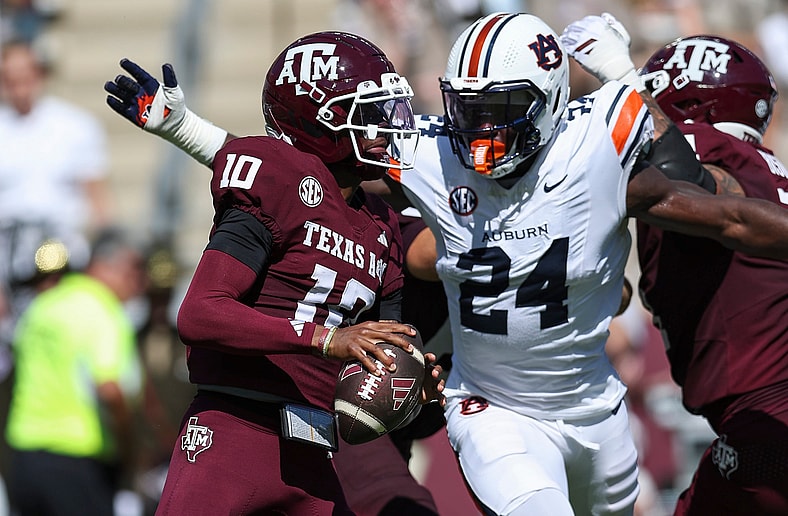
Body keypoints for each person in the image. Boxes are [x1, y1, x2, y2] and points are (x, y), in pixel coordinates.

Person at [105, 12, 788, 516]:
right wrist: (187, 130)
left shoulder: (592, 146)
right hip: (490, 402)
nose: (483, 130)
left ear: (550, 101)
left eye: (503, 111)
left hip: (593, 402)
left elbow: (711, 206)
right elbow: (294, 179)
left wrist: (628, 86)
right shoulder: (429, 152)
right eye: (470, 109)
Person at [107, 31, 445, 515]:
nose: (386, 128)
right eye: (367, 115)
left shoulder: (382, 222)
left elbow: (381, 361)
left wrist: (412, 387)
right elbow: (200, 313)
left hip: (314, 449)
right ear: (318, 121)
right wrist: (326, 340)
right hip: (232, 435)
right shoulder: (278, 178)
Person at [564, 16, 788, 514]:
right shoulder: (764, 170)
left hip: (767, 415)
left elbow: (691, 179)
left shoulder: (710, 154)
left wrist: (622, 81)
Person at [3, 227, 146, 516]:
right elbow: (109, 389)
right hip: (76, 459)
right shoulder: (99, 308)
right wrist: (129, 448)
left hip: (23, 458)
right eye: (133, 271)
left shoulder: (38, 310)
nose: (138, 283)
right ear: (107, 267)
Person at [0, 39, 111, 358]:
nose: (18, 87)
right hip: (11, 252)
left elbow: (96, 195)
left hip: (61, 247)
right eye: (10, 78)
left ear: (39, 75)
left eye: (24, 76)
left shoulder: (74, 126)